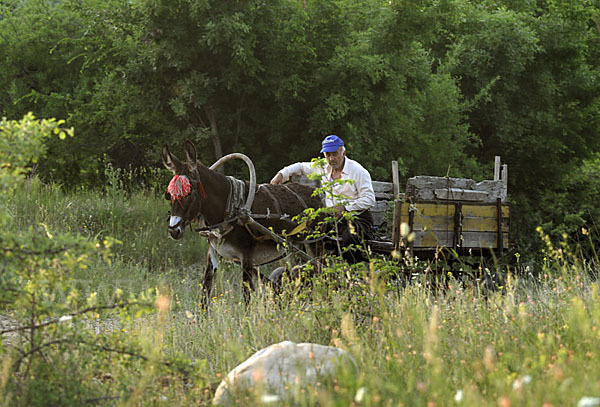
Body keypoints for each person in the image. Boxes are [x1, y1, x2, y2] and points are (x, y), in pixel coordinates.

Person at [270, 135, 376, 263]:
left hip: (357, 217)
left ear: (343, 153)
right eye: (327, 154)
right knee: (306, 230)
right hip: (331, 217)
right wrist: (281, 174)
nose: (331, 159)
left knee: (349, 238)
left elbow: (369, 199)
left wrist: (345, 208)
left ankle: (353, 272)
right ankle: (311, 267)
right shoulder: (323, 167)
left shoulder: (358, 171)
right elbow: (301, 167)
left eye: (335, 154)